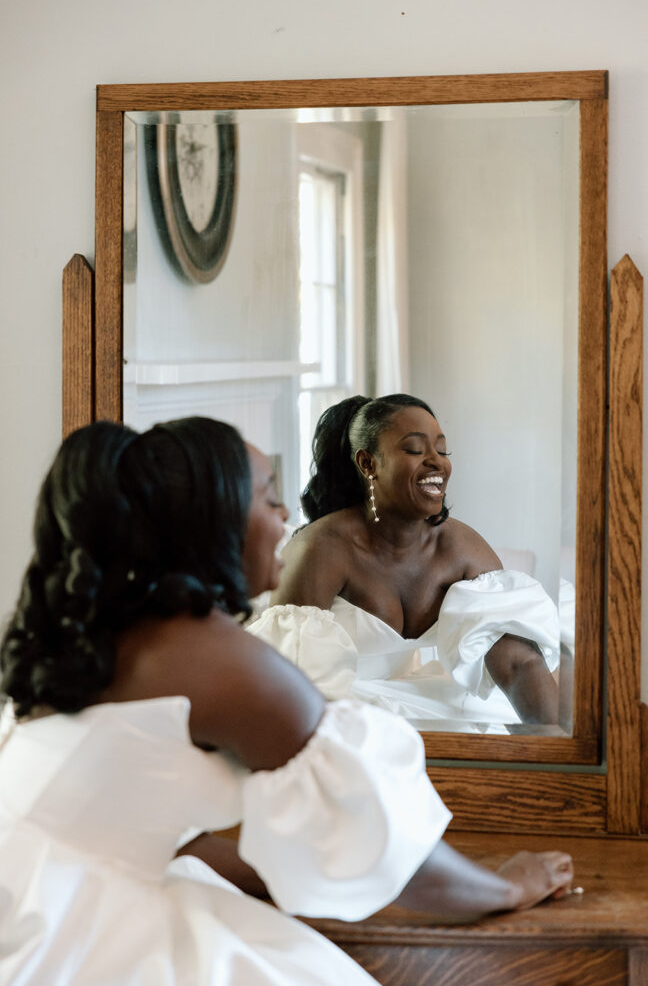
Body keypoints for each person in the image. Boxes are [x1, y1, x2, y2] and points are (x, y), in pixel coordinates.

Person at [0, 417, 573, 985]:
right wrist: (508, 887)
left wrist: (301, 875)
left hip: (27, 889)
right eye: (268, 497)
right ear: (213, 520)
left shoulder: (103, 626)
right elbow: (374, 837)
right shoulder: (217, 659)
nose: (284, 517)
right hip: (74, 934)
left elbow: (166, 834)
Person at [252, 394, 562, 733]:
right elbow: (285, 680)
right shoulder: (321, 548)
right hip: (340, 718)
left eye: (442, 451)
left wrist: (551, 746)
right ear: (368, 463)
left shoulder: (461, 548)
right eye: (415, 450)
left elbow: (519, 664)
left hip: (435, 709)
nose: (436, 463)